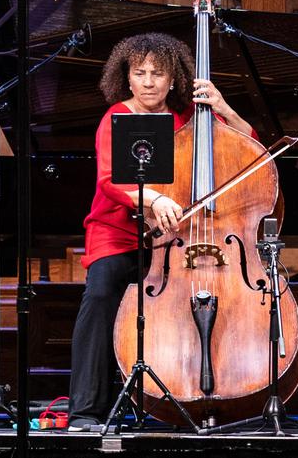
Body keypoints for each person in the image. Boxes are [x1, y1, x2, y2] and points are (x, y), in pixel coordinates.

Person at [65, 33, 249, 432]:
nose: (148, 82)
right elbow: (109, 181)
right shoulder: (117, 117)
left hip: (176, 239)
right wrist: (152, 200)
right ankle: (85, 411)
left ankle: (185, 395)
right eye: (140, 73)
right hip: (118, 232)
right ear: (126, 78)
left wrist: (223, 108)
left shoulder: (190, 118)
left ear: (173, 80)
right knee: (99, 295)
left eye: (158, 74)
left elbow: (246, 145)